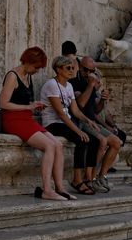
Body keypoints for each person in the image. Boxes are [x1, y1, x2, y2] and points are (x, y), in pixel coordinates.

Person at [0, 47, 71, 201]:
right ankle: (47, 190)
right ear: (28, 61)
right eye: (36, 67)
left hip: (25, 118)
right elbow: (3, 103)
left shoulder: (28, 76)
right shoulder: (13, 76)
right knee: (49, 146)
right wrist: (28, 107)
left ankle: (60, 188)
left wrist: (34, 104)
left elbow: (23, 101)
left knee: (57, 145)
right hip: (12, 119)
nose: (37, 71)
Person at [40, 56, 97, 195]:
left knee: (94, 140)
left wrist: (87, 120)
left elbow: (75, 110)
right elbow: (60, 113)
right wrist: (78, 131)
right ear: (58, 70)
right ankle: (77, 180)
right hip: (52, 124)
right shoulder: (52, 85)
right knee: (81, 140)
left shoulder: (69, 86)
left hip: (64, 122)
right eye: (68, 68)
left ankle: (87, 177)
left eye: (72, 68)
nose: (72, 70)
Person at [71, 56, 122, 192]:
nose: (88, 74)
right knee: (102, 141)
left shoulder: (91, 84)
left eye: (91, 71)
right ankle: (90, 178)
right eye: (85, 70)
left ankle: (101, 176)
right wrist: (90, 85)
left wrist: (102, 101)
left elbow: (95, 109)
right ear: (80, 67)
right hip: (81, 121)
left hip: (91, 120)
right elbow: (80, 104)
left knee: (117, 142)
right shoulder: (74, 83)